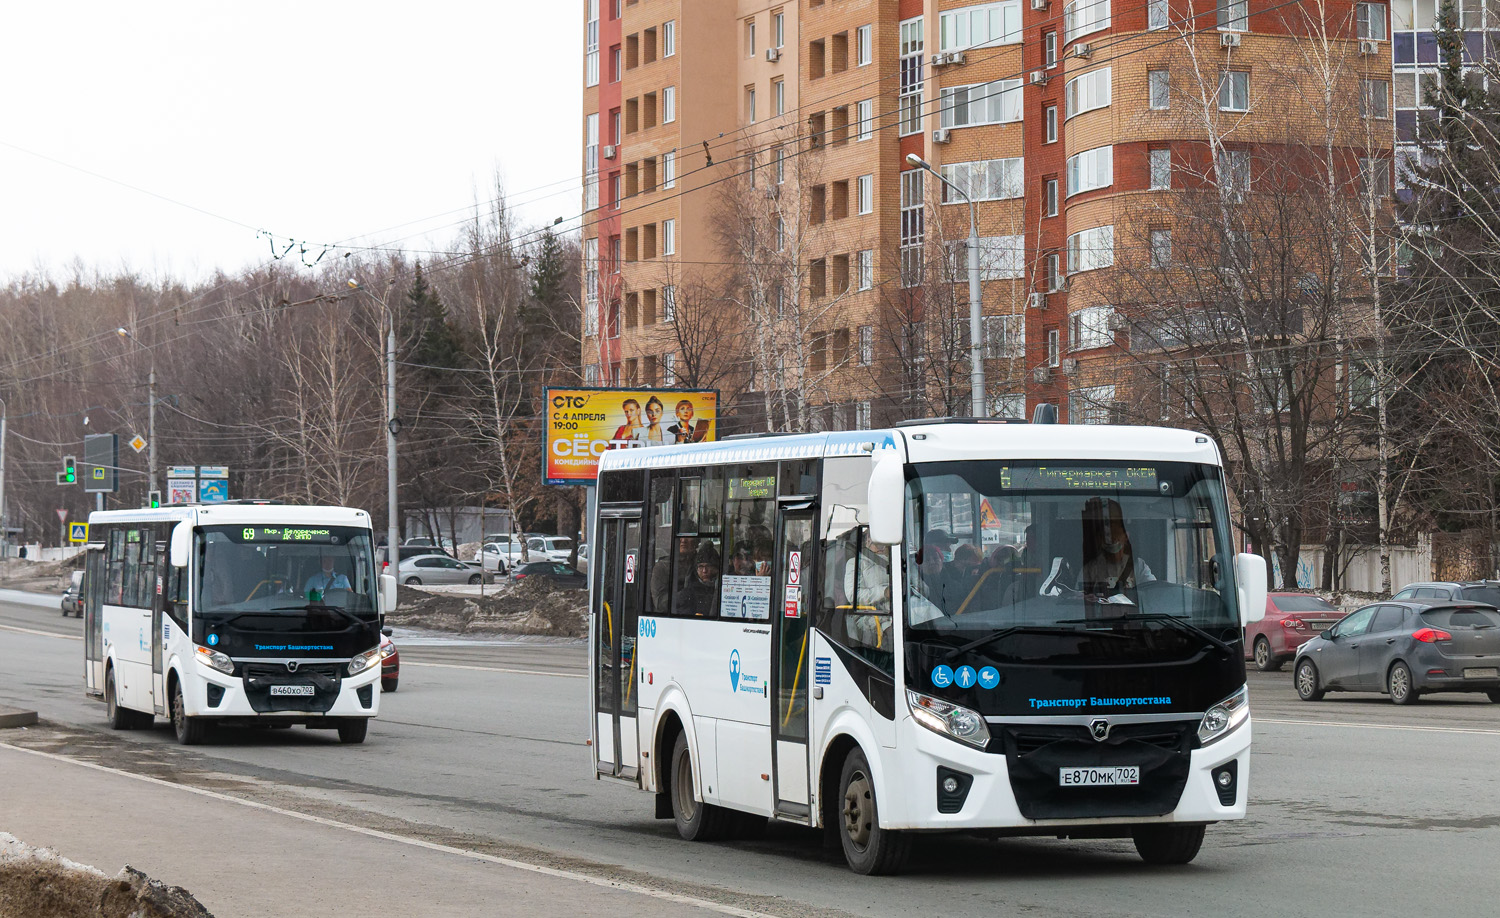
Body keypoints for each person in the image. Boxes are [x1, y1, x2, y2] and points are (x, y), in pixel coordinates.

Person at [1078, 498, 1155, 594]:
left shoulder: (1139, 566)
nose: (1111, 538)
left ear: (1126, 535)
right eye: (1106, 533)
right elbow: (1079, 601)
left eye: (1116, 532)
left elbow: (1153, 593)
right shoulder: (1090, 569)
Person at [674, 544, 721, 616]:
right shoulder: (688, 592)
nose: (704, 571)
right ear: (696, 569)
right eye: (700, 567)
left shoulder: (723, 589)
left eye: (708, 566)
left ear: (716, 568)